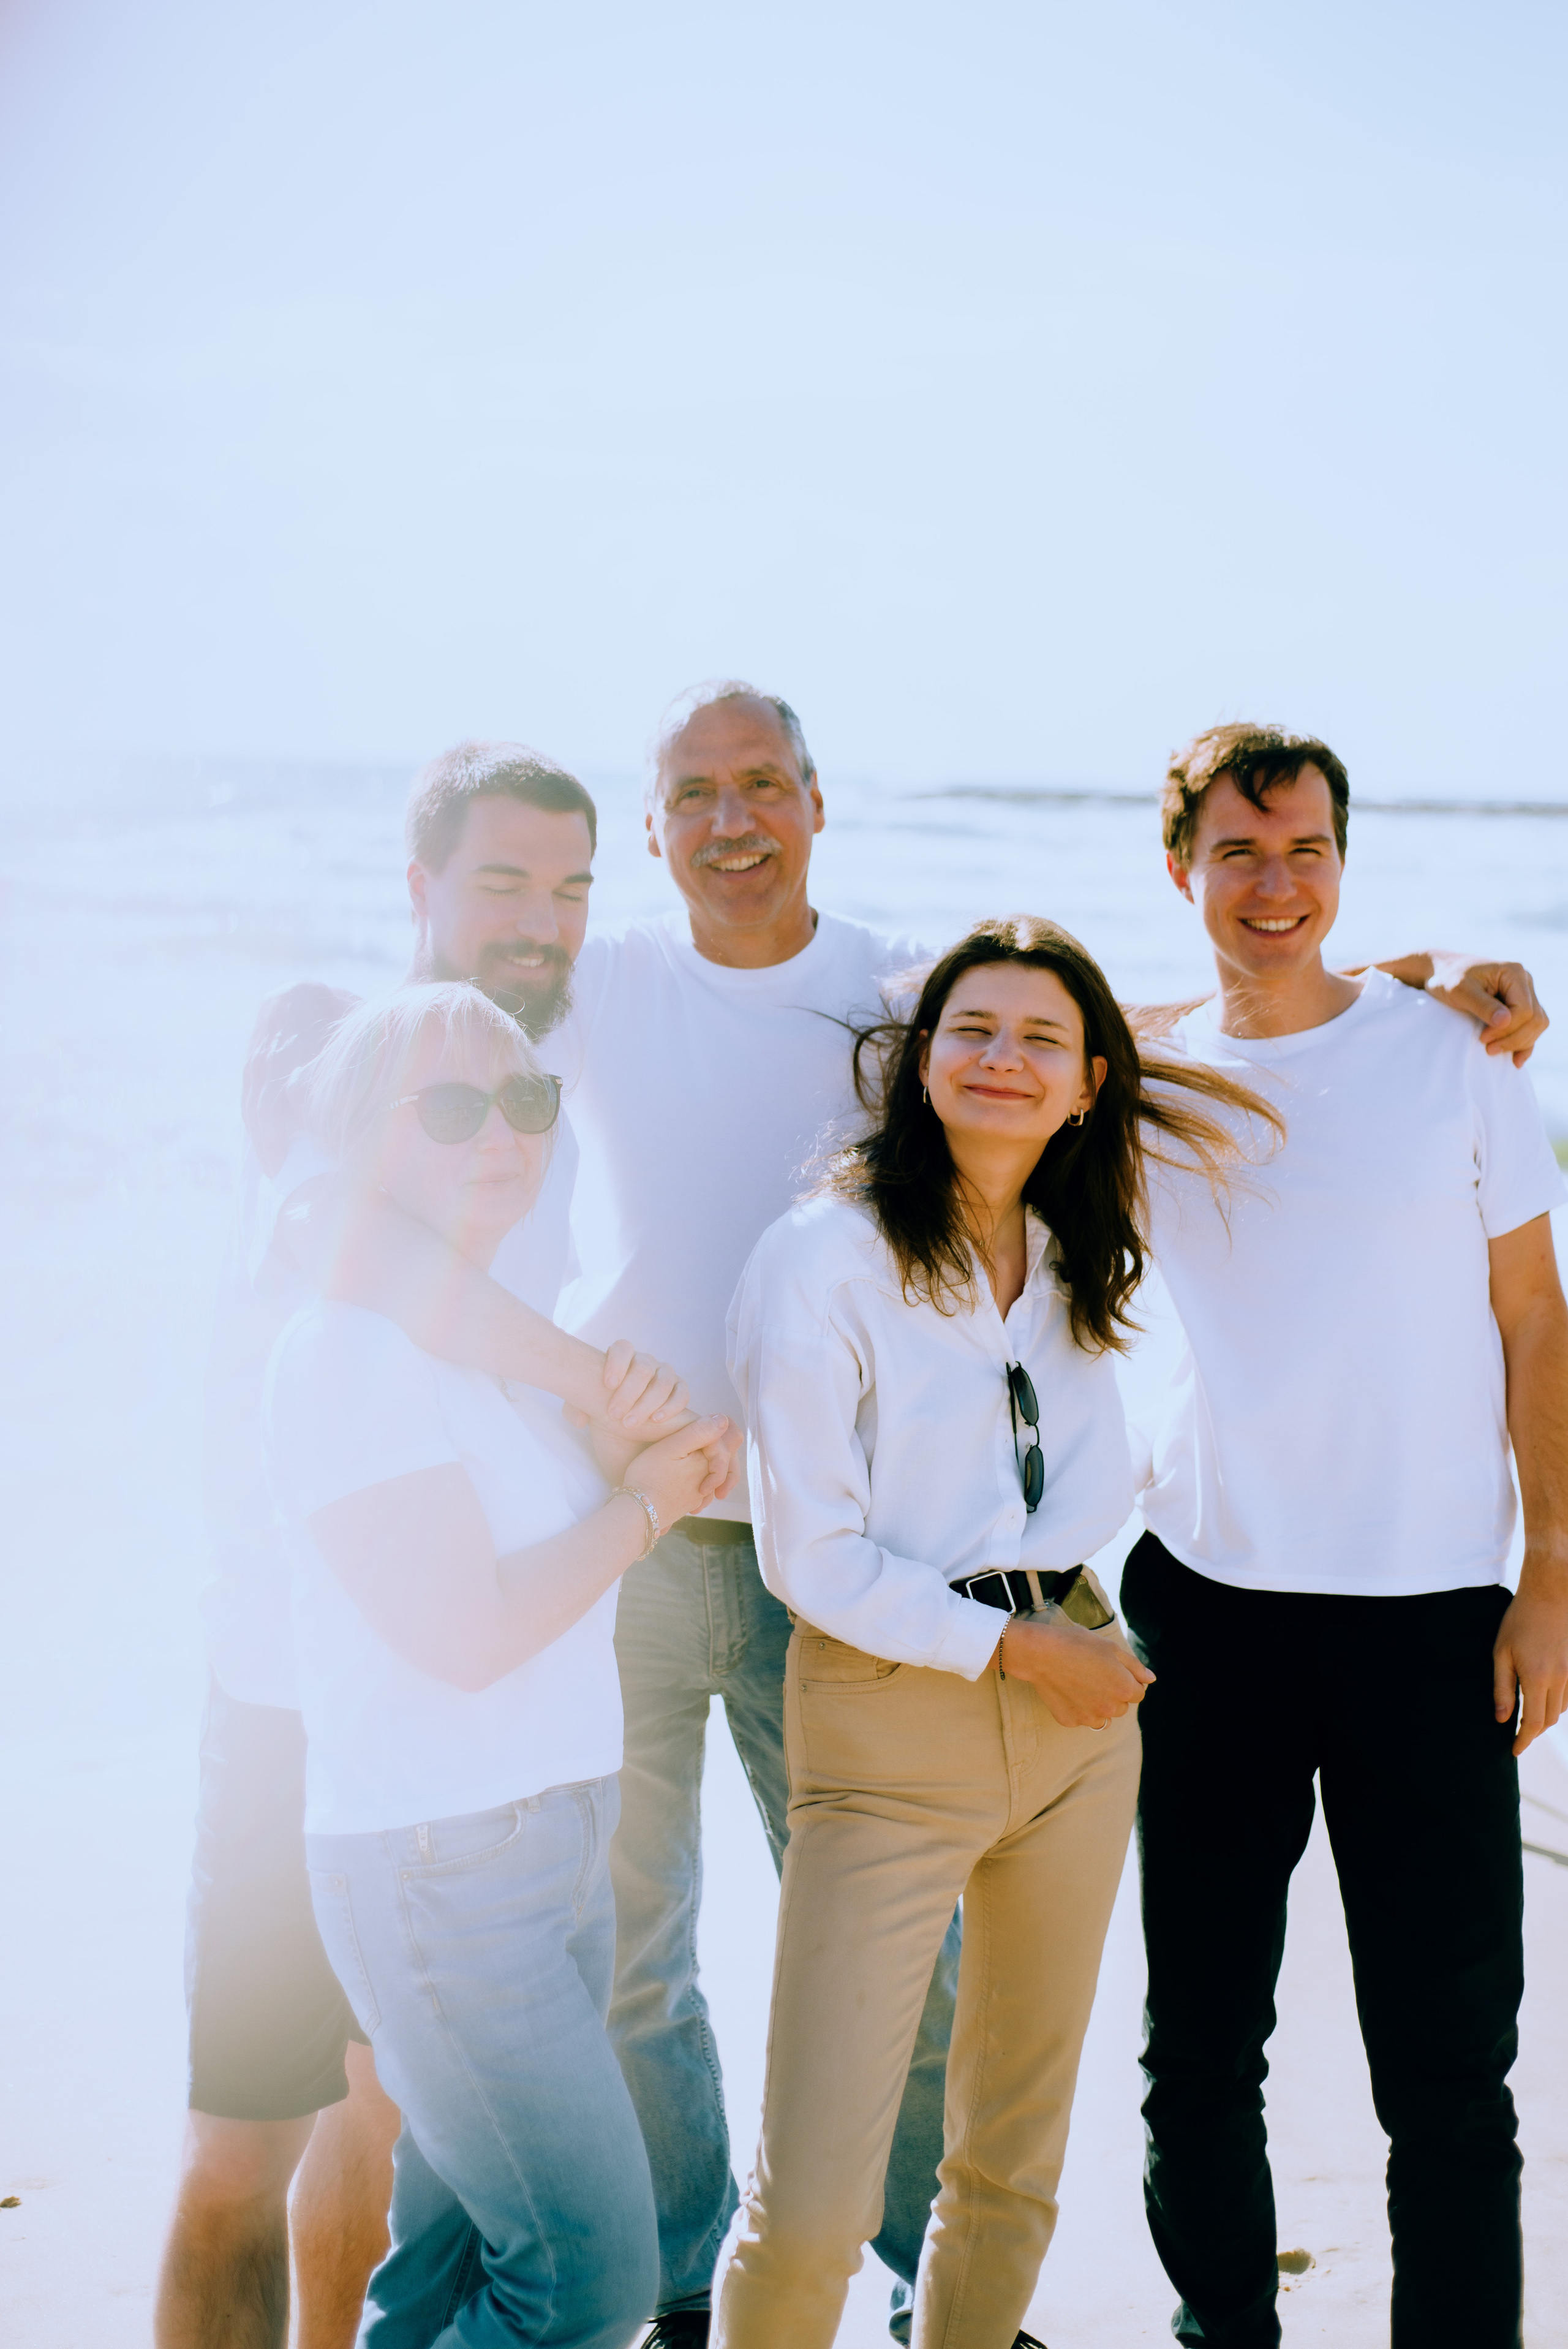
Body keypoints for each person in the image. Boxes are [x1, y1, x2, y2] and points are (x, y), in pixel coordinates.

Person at [301, 684, 1549, 2346]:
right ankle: (705, 2290)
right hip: (745, 1554)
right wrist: (595, 1390)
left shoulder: (910, 1000)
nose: (734, 821)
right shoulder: (597, 992)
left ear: (818, 804)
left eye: (765, 786)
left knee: (1325, 2058)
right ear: (656, 827)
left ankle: (933, 2292)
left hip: (1116, 1599)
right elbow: (398, 1121)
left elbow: (1092, 1048)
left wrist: (1380, 991)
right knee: (664, 1957)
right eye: (695, 795)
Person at [159, 744, 693, 2349]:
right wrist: (603, 1392)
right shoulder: (323, 1044)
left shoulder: (537, 1089)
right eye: (504, 881)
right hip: (285, 1697)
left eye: (574, 886)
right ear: (423, 887)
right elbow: (367, 1258)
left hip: (457, 1752)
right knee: (245, 2139)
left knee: (402, 2142)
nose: (542, 919)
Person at [712, 918, 1267, 2348]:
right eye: (971, 1031)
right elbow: (811, 1559)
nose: (1001, 1060)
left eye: (1040, 1039)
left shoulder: (1083, 1245)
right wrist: (1026, 1653)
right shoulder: (820, 1258)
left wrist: (1413, 986)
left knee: (1009, 2169)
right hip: (893, 1714)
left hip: (1079, 1721)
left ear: (1089, 1081)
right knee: (816, 2198)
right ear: (918, 1063)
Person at [1121, 724, 1568, 2349]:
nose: (1275, 881)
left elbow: (1535, 1317)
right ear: (1183, 870)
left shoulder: (1459, 1058)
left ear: (1343, 862)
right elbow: (972, 1035)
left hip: (1433, 1621)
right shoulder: (1143, 1070)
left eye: (1305, 850)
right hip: (1207, 1613)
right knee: (1201, 2049)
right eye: (1239, 851)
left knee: (1451, 2068)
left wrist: (1556, 1579)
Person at [264, 980, 737, 2348]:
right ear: (365, 1138)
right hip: (441, 1873)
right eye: (454, 1106)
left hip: (545, 1846)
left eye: (526, 1101)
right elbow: (466, 1633)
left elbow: (559, 1546)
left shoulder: (479, 1339)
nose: (503, 1135)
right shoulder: (348, 1351)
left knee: (449, 2272)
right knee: (589, 2281)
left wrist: (636, 1467)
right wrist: (643, 1507)